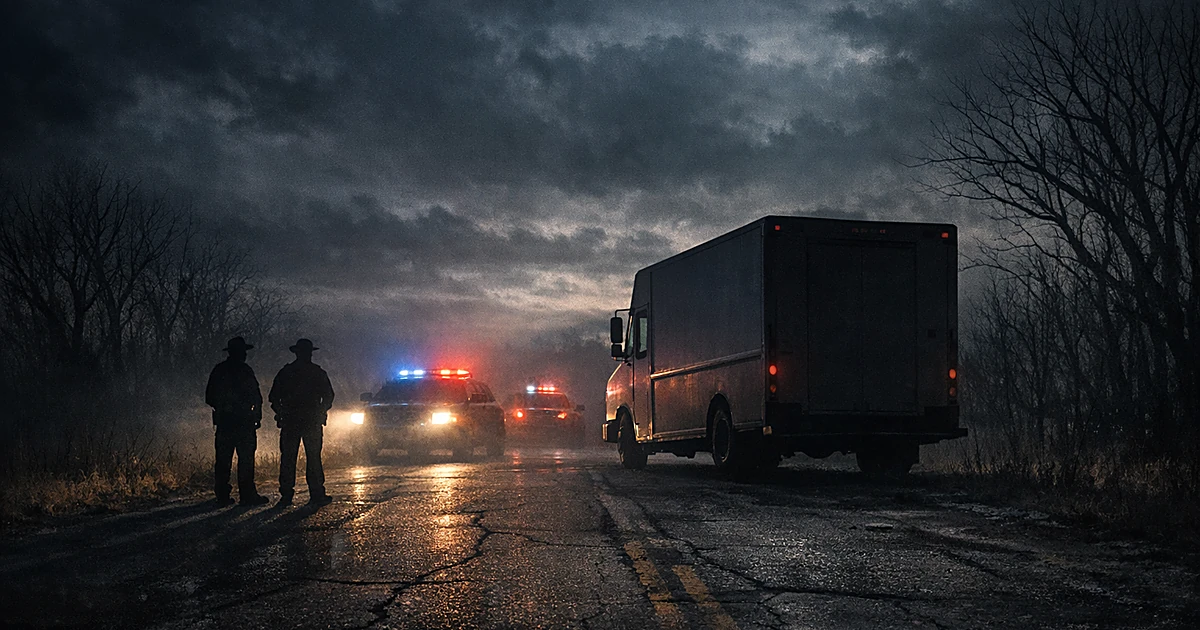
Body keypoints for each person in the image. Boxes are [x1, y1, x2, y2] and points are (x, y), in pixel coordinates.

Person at [269, 338, 335, 506]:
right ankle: (316, 493)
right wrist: (321, 411)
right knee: (313, 458)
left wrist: (281, 412)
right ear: (310, 353)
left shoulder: (286, 372)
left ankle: (286, 495)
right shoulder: (317, 372)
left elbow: (274, 397)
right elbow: (328, 396)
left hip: (291, 421)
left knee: (289, 458)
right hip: (311, 421)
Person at [205, 336, 269, 507]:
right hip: (242, 422)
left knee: (224, 460)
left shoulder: (220, 370)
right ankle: (247, 495)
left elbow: (209, 397)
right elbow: (257, 397)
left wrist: (224, 407)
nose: (245, 355)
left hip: (227, 422)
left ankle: (223, 496)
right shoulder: (245, 370)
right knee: (245, 460)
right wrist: (255, 415)